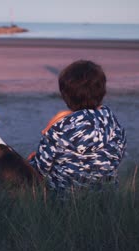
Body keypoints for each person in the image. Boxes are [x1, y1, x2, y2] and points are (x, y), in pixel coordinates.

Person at [29, 60, 127, 194]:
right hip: (106, 194)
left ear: (65, 95)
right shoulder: (113, 123)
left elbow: (41, 169)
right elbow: (118, 157)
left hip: (64, 198)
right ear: (102, 91)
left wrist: (45, 136)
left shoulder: (59, 128)